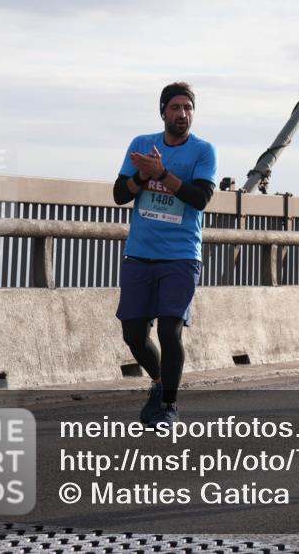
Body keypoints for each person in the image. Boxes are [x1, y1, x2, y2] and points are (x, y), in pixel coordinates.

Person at [112, 82, 217, 425]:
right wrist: (142, 177)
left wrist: (162, 174)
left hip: (181, 254)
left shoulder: (203, 151)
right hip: (140, 253)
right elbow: (118, 194)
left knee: (170, 331)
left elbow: (199, 198)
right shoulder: (142, 144)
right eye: (175, 107)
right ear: (163, 112)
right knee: (133, 333)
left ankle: (169, 405)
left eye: (188, 108)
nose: (182, 114)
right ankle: (159, 383)